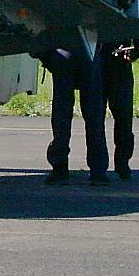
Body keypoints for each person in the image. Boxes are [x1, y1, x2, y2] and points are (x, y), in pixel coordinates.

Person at [36, 46, 109, 185]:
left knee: (62, 115)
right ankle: (98, 171)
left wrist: (46, 56)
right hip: (90, 53)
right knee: (94, 116)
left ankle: (60, 168)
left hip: (63, 53)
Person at [100, 38, 139, 180]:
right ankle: (98, 167)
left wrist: (138, 49)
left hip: (120, 66)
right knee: (95, 120)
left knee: (124, 118)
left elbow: (138, 22)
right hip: (97, 64)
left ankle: (122, 163)